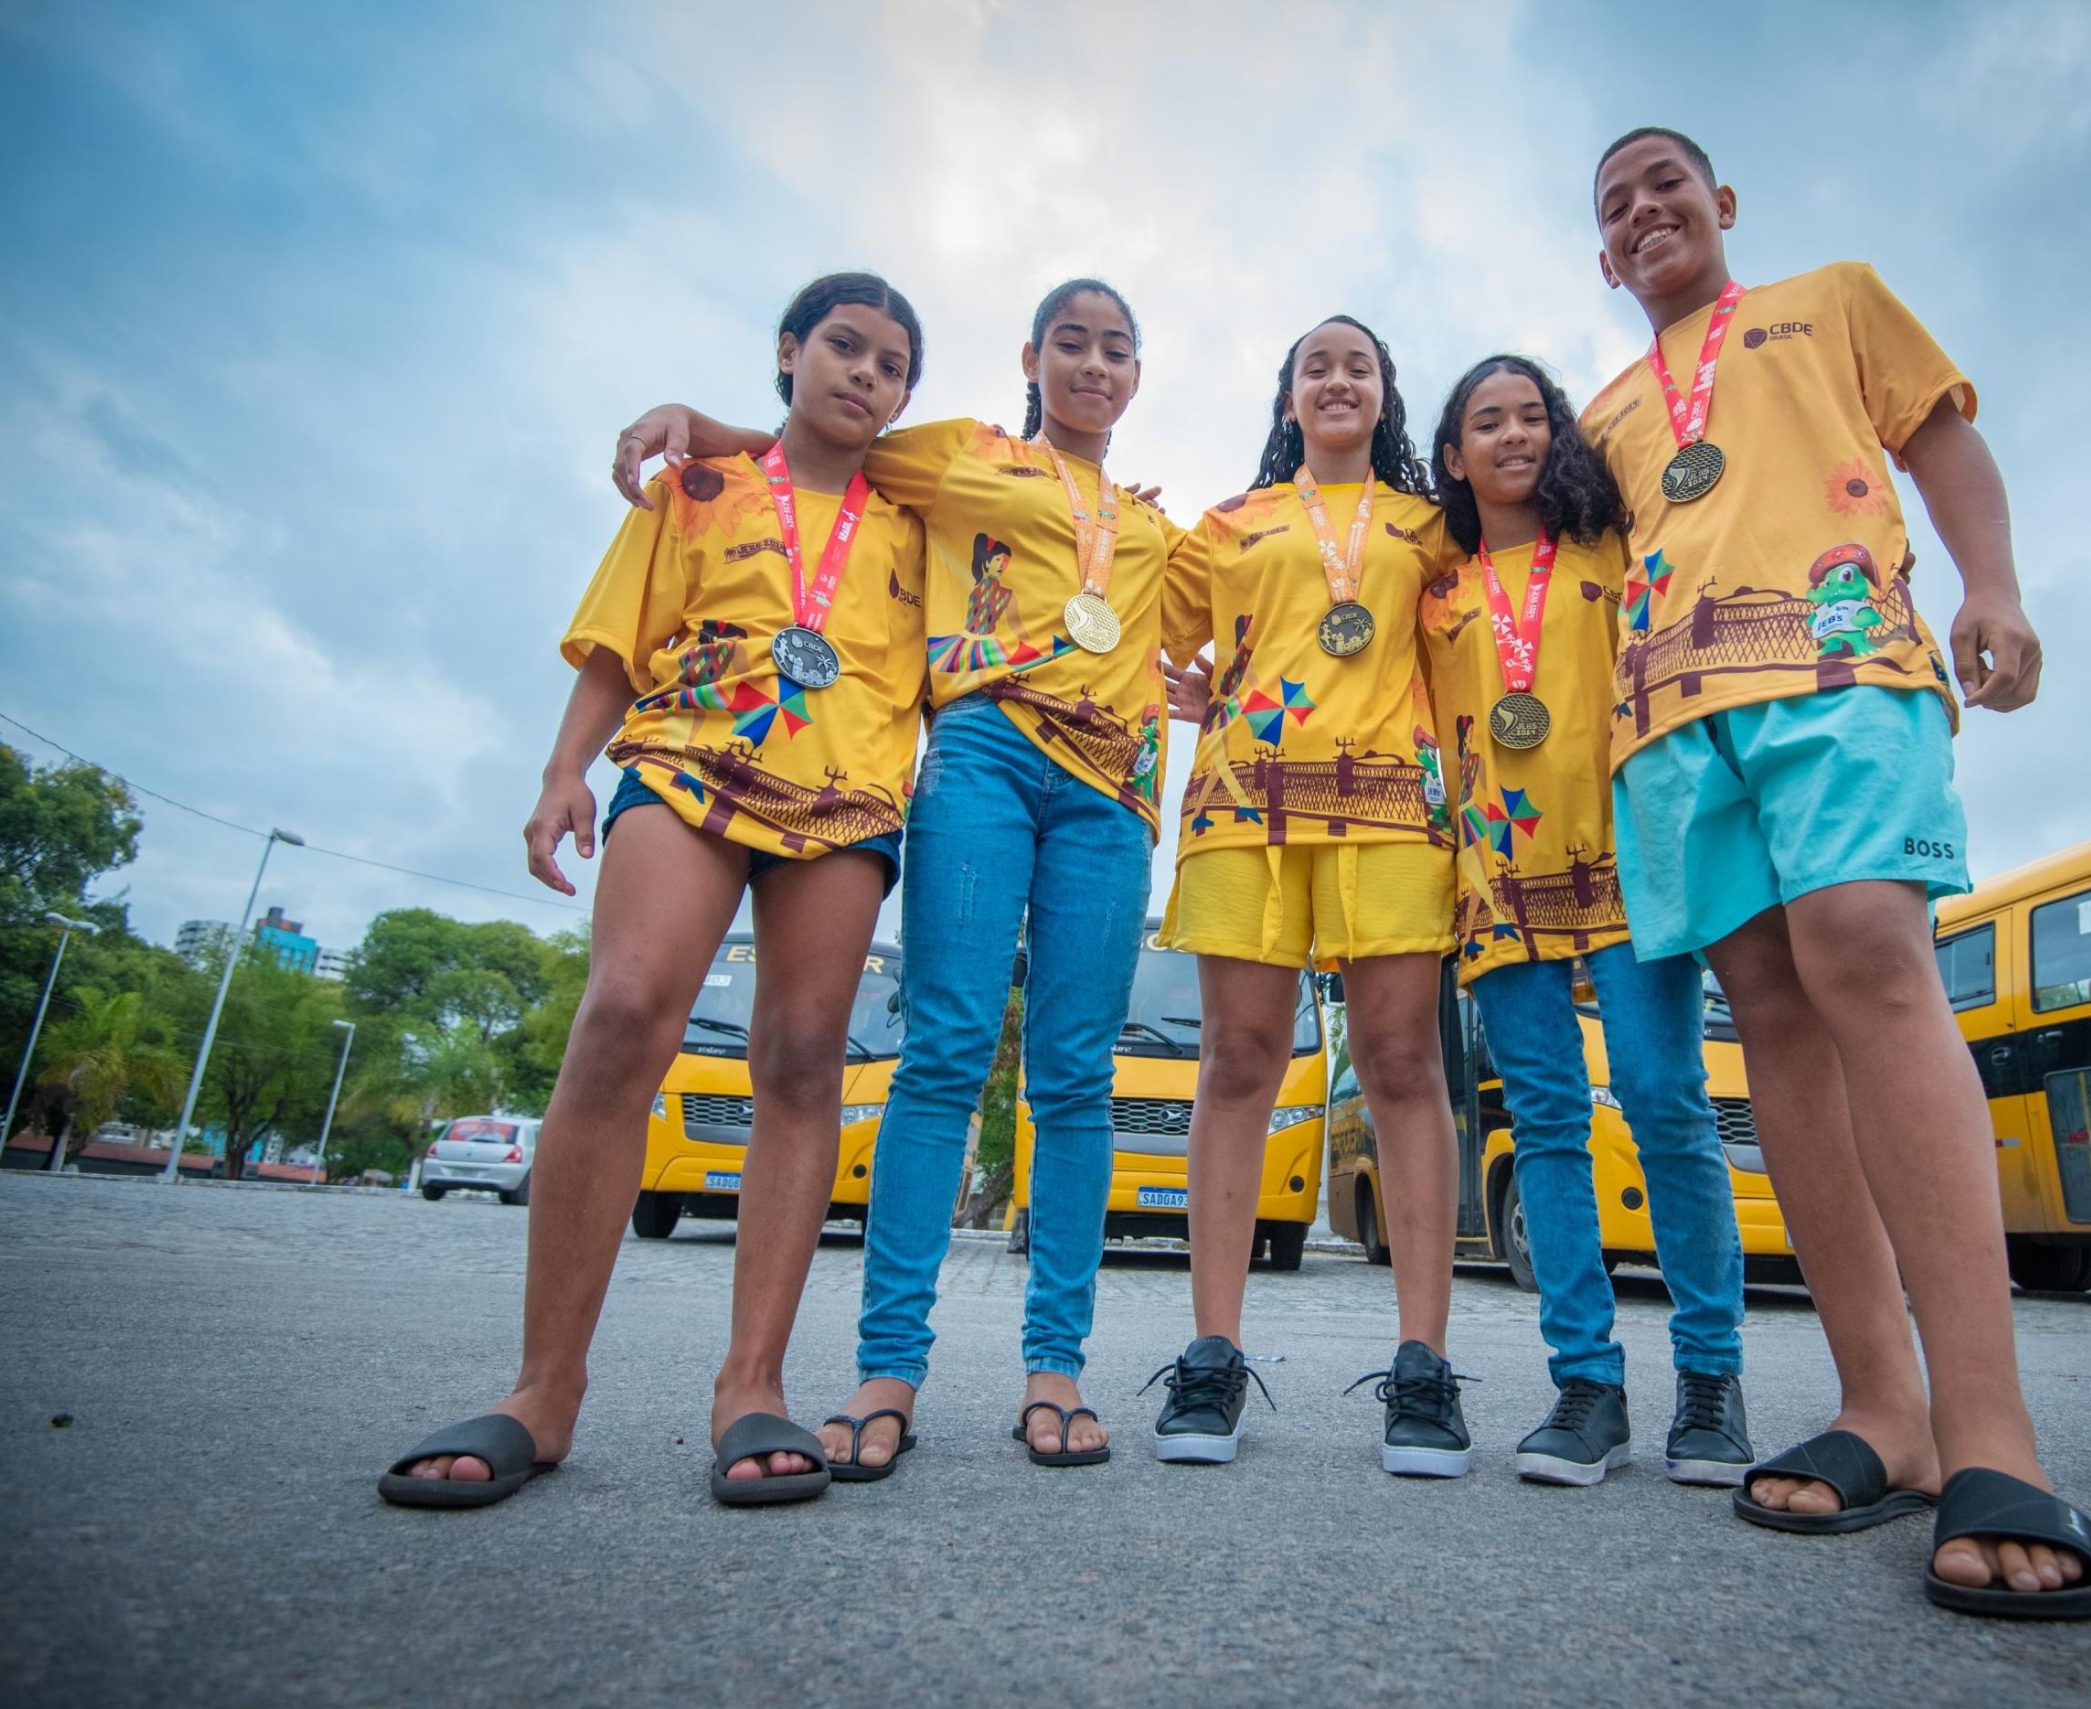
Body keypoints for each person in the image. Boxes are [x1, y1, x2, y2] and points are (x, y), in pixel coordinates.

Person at [1584, 126, 2091, 1619]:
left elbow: (1942, 438)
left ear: (1722, 202)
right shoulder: (1610, 409)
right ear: (1604, 256)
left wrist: (1992, 584)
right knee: (1772, 1017)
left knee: (1870, 954)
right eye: (1614, 207)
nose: (1644, 211)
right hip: (1675, 731)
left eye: (1664, 184)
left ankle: (1992, 1431)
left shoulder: (1833, 298)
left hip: (1838, 663)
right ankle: (1884, 1407)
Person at [378, 271, 929, 1509]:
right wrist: (563, 770)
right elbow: (621, 643)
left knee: (801, 1056)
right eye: (843, 346)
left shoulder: (918, 514)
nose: (864, 376)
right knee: (625, 1010)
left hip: (845, 796)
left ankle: (752, 1386)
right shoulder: (696, 488)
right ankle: (543, 1388)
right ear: (788, 352)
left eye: (891, 366)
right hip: (686, 760)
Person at [611, 280, 1174, 1475]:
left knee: (1075, 1073)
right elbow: (819, 439)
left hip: (1113, 796)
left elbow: (1243, 628)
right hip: (979, 758)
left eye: (1115, 349)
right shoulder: (961, 453)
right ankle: (886, 1369)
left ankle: (1055, 1367)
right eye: (1069, 343)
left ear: (1138, 374)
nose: (1092, 364)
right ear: (1031, 356)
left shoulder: (1156, 526)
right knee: (945, 1052)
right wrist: (695, 424)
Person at [1420, 354, 1753, 1488]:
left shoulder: (1614, 551)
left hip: (1629, 860)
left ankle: (1710, 1380)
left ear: (1556, 435)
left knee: (1666, 1101)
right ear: (1453, 455)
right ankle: (1586, 1385)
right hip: (1497, 873)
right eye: (1485, 421)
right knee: (1549, 1123)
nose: (1512, 435)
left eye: (1531, 415)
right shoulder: (1437, 588)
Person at [1151, 316, 1471, 1476]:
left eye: (1359, 365)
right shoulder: (1229, 525)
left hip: (1392, 814)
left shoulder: (1432, 527)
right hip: (1244, 810)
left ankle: (1423, 1367)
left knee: (1400, 1064)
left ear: (1385, 397)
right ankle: (1211, 1355)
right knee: (1238, 1062)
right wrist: (1178, 682)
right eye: (1315, 367)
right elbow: (1130, 624)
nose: (1337, 379)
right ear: (1287, 400)